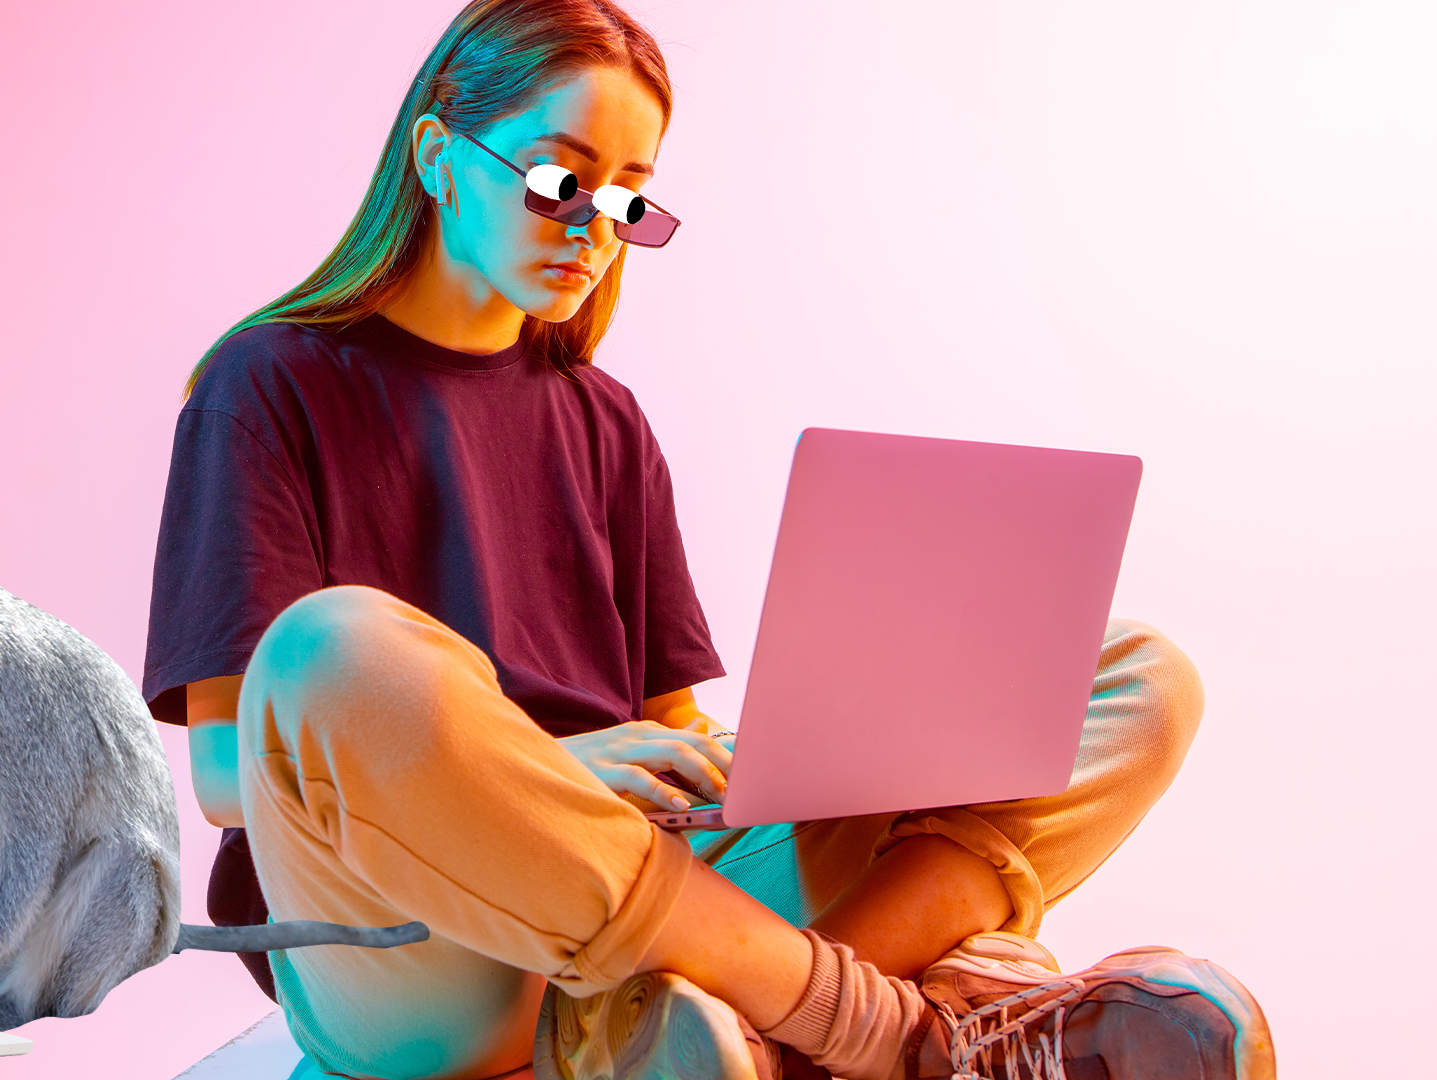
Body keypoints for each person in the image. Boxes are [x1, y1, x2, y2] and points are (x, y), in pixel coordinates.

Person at [143, 2, 1274, 1078]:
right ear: (439, 158)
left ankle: (748, 1027)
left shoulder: (604, 418)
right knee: (338, 651)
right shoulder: (266, 386)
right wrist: (544, 769)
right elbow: (231, 779)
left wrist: (822, 754)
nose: (595, 228)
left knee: (1134, 674)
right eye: (558, 180)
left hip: (655, 915)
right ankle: (881, 1022)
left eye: (629, 200)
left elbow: (671, 733)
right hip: (418, 948)